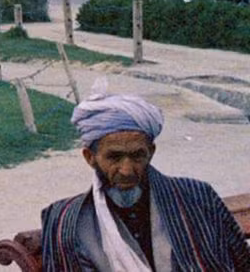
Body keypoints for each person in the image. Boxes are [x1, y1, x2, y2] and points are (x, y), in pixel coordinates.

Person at [41, 90, 250, 271]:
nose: (126, 170)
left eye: (137, 156)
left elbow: (242, 262)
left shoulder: (197, 196)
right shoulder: (65, 220)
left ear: (150, 152)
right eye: (114, 157)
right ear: (90, 157)